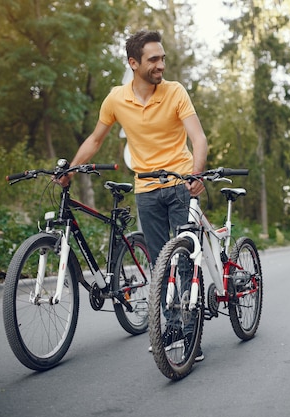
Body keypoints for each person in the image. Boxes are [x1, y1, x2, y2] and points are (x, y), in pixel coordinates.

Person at [61, 30, 208, 361]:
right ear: (133, 63)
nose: (161, 65)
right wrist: (70, 169)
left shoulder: (175, 92)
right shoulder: (116, 99)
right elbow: (95, 139)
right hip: (146, 190)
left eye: (163, 58)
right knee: (159, 264)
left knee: (184, 258)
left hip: (182, 184)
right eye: (153, 59)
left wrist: (196, 174)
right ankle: (170, 325)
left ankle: (191, 330)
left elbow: (198, 138)